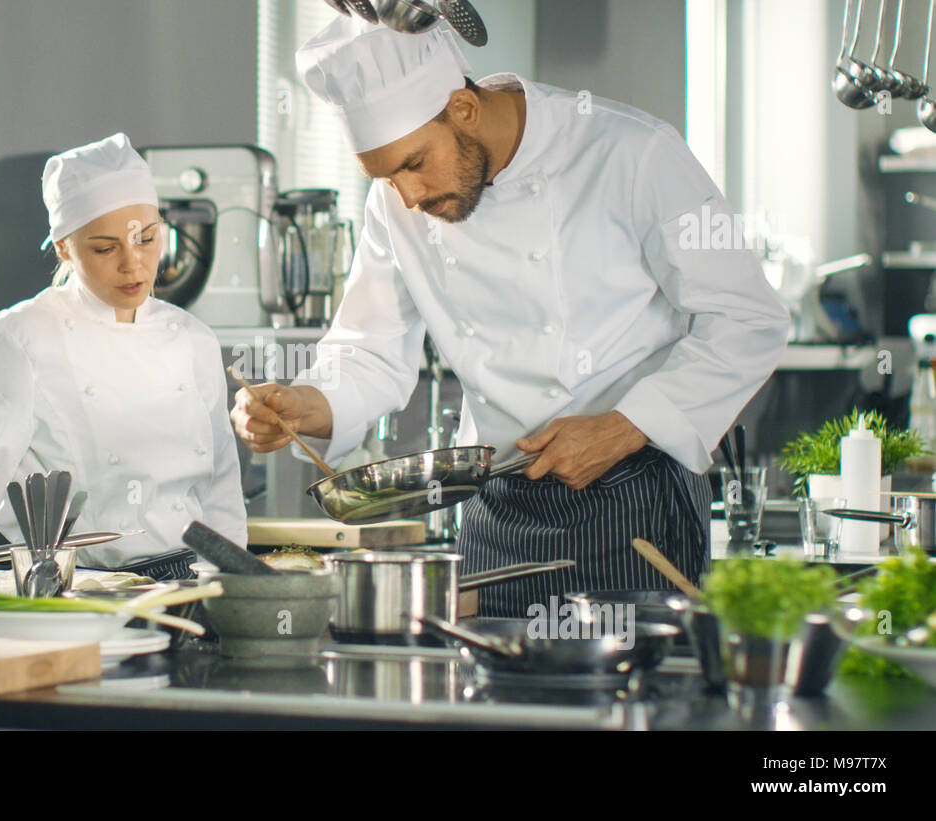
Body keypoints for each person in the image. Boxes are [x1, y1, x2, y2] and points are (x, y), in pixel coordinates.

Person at [230, 19, 789, 616]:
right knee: (485, 696)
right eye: (387, 176)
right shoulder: (395, 202)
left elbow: (746, 318)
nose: (409, 196)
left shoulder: (631, 152)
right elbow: (370, 346)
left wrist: (623, 427)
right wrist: (310, 404)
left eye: (415, 164)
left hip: (633, 497)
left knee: (629, 697)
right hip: (495, 507)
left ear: (465, 107)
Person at [0, 132, 247, 579]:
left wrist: (236, 591)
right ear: (64, 247)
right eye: (105, 248)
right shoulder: (22, 336)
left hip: (191, 589)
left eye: (147, 239)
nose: (133, 265)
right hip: (76, 591)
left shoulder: (193, 338)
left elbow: (221, 490)